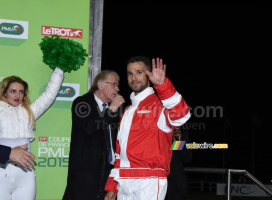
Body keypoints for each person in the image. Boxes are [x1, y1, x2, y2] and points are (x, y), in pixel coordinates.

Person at [104, 56, 191, 200]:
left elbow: (181, 115)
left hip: (149, 182)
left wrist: (163, 85)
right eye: (130, 73)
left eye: (139, 72)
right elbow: (120, 154)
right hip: (124, 183)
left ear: (149, 74)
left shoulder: (160, 105)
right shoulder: (127, 111)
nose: (134, 77)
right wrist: (112, 185)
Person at [0, 68, 64, 200]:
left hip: (26, 174)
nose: (17, 96)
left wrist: (59, 69)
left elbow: (49, 95)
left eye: (21, 92)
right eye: (13, 91)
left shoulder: (29, 111)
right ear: (4, 93)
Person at [62, 70, 125, 200]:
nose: (117, 89)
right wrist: (111, 110)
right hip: (85, 175)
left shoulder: (118, 108)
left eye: (118, 85)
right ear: (101, 85)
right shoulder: (82, 103)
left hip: (108, 172)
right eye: (113, 84)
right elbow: (89, 128)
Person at [165, 127, 192, 200]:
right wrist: (168, 137)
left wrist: (178, 141)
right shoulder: (160, 132)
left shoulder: (181, 133)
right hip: (161, 184)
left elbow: (187, 158)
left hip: (178, 185)